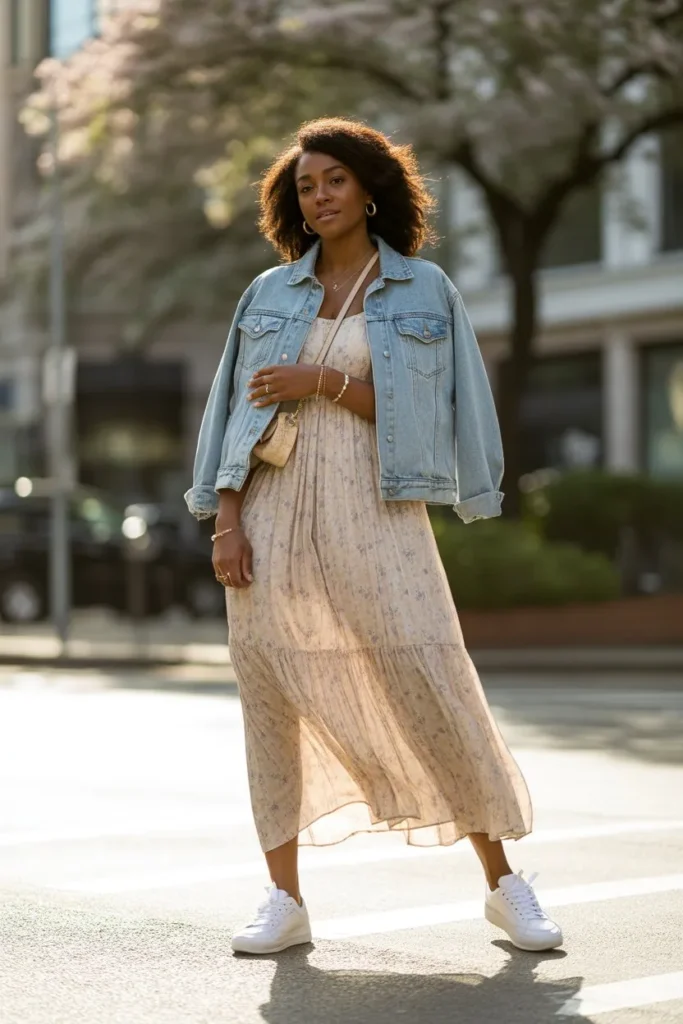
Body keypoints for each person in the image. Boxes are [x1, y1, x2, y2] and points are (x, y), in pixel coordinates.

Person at [185, 117, 563, 957]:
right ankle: (283, 899)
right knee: (271, 697)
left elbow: (432, 415)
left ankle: (504, 885)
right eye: (305, 185)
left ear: (367, 190)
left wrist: (322, 380)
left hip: (379, 509)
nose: (319, 196)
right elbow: (234, 415)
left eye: (334, 180)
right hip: (273, 511)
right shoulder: (267, 293)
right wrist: (228, 520)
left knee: (429, 678)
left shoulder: (424, 290)